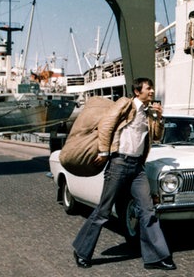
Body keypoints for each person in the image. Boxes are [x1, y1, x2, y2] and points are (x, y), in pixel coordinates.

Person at [72, 77, 176, 271]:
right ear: (138, 92)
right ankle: (81, 251)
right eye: (148, 88)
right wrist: (104, 151)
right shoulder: (125, 105)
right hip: (118, 163)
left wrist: (160, 118)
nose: (152, 92)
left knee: (148, 211)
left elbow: (156, 136)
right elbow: (106, 125)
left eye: (152, 88)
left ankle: (157, 257)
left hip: (137, 168)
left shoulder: (149, 113)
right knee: (103, 210)